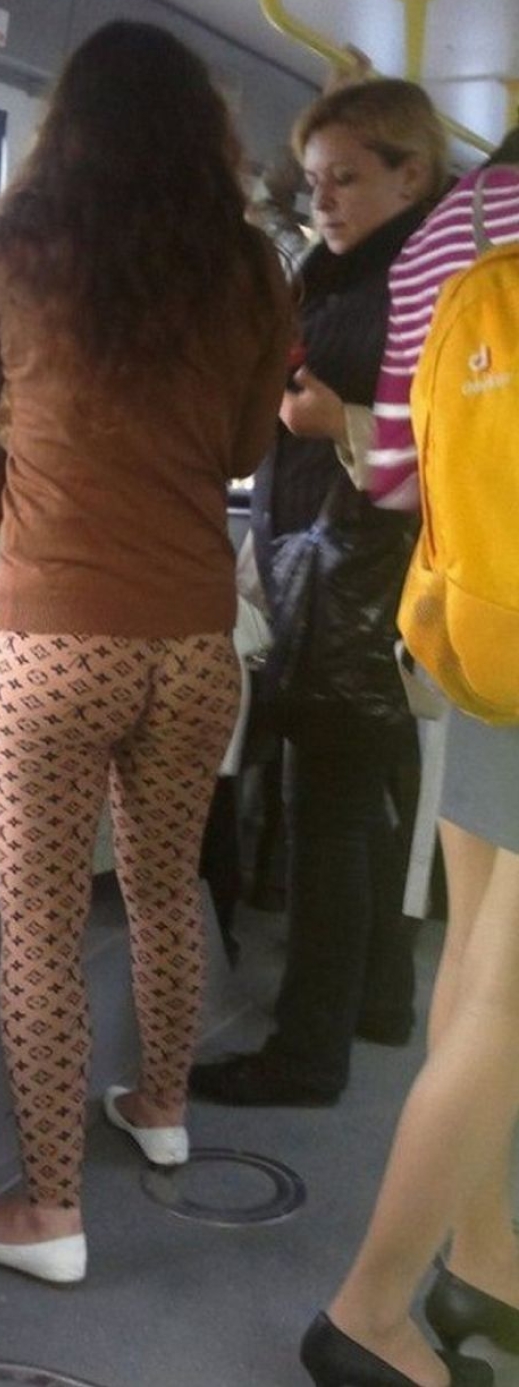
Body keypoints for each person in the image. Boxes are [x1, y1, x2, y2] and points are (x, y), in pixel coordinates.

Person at [0, 19, 292, 1284]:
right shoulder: (251, 267)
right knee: (164, 885)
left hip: (51, 645)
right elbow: (244, 448)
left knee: (38, 928)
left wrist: (37, 532)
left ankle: (50, 1211)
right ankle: (164, 1108)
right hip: (192, 641)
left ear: (65, 127)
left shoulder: (16, 253)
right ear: (205, 133)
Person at [299, 132, 519, 1387]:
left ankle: (484, 1260)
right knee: (510, 992)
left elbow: (397, 470)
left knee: (478, 954)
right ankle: (370, 1314)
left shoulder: (460, 224)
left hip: (479, 625)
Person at [189, 79, 449, 1108]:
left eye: (346, 177)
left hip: (361, 577)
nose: (324, 199)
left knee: (327, 814)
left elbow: (451, 442)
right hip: (329, 567)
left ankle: (305, 1055)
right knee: (363, 807)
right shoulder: (339, 274)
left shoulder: (418, 287)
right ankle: (379, 998)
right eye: (313, 179)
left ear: (410, 174)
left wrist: (338, 423)